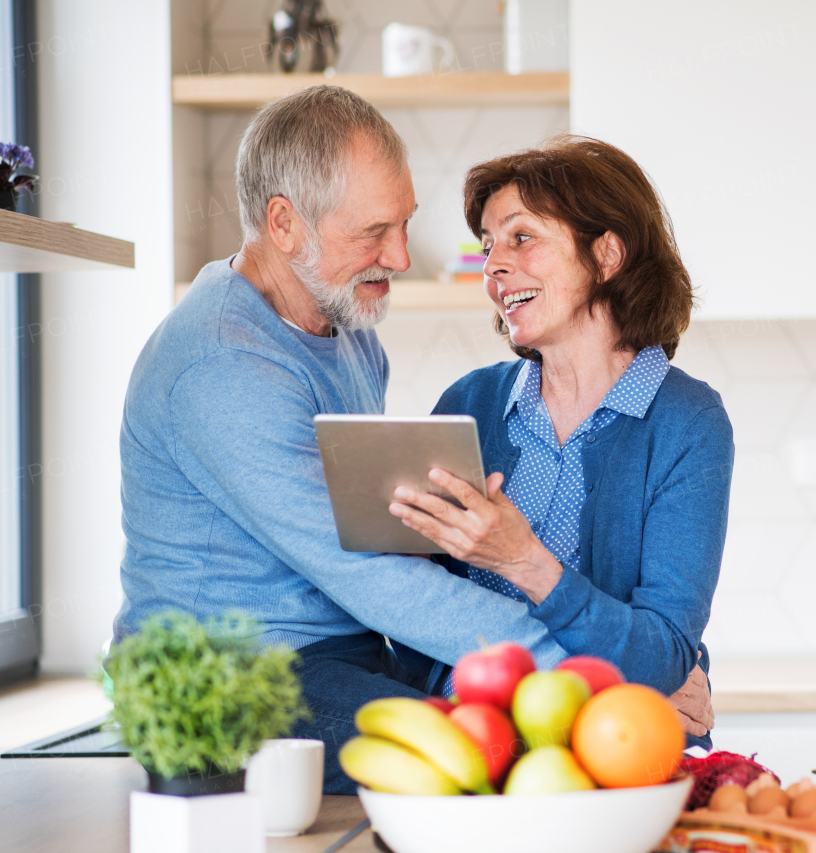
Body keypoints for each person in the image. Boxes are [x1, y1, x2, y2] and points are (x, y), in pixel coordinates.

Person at [110, 88, 710, 794]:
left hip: (341, 656)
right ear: (284, 224)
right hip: (231, 677)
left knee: (526, 739)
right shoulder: (221, 365)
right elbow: (368, 572)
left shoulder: (349, 332)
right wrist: (603, 689)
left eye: (404, 224)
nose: (397, 254)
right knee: (505, 750)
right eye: (373, 231)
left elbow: (387, 535)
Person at [386, 137, 734, 747]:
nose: (493, 265)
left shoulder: (687, 421)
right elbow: (415, 612)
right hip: (474, 741)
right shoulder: (472, 405)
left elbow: (662, 651)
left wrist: (525, 561)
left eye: (521, 238)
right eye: (488, 245)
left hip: (618, 749)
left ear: (607, 255)